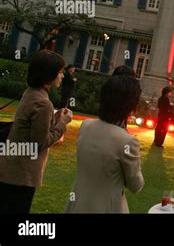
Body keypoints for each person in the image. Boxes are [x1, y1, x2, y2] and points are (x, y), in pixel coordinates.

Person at [0, 50, 73, 213]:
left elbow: (32, 127)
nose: (62, 76)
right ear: (50, 74)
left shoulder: (31, 93)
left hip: (9, 168)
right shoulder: (43, 103)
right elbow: (39, 143)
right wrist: (62, 123)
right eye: (60, 72)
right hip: (21, 175)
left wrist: (54, 118)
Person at [65, 75, 144, 213]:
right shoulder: (127, 141)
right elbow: (135, 185)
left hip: (77, 203)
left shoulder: (86, 126)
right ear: (131, 106)